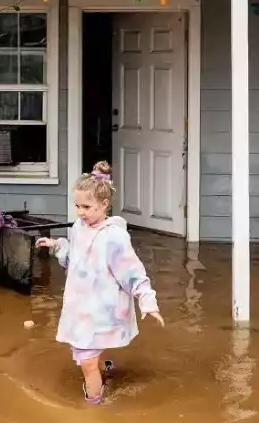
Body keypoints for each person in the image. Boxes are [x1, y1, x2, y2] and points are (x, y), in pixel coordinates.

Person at [36, 161, 164, 405]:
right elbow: (75, 258)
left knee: (85, 360)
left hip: (102, 307)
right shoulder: (78, 228)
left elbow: (132, 271)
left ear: (104, 205)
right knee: (87, 351)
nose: (81, 212)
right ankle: (105, 369)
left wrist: (148, 301)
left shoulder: (114, 236)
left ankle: (93, 405)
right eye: (77, 206)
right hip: (80, 306)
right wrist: (57, 245)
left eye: (87, 206)